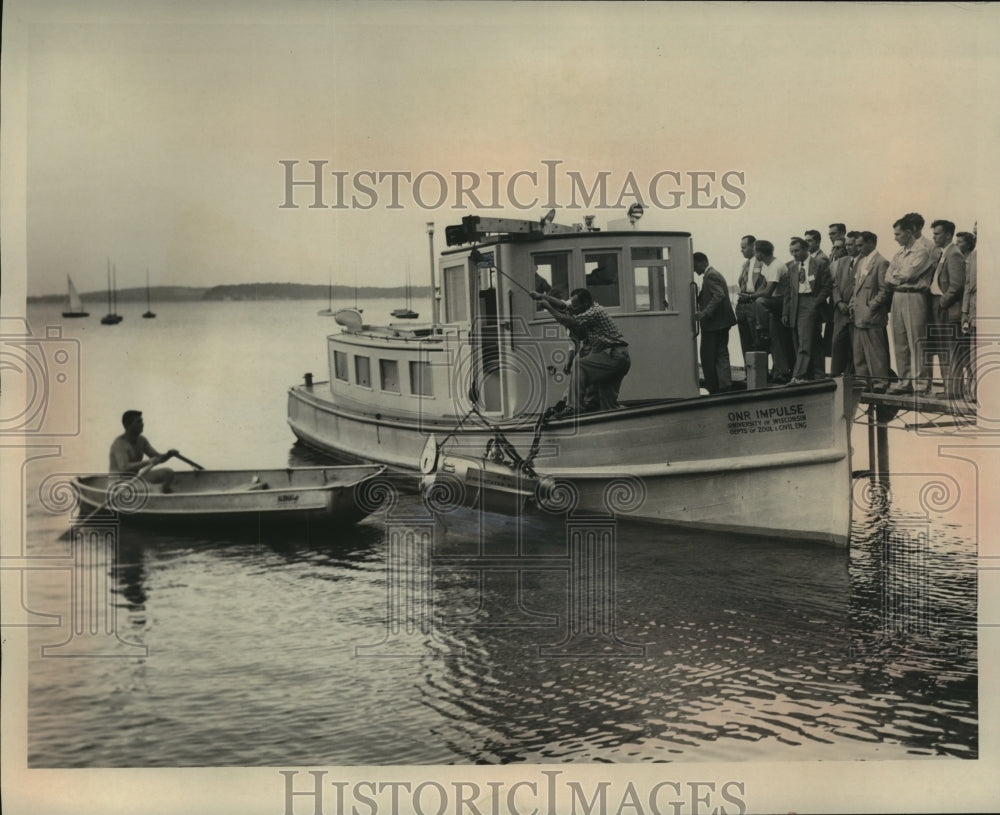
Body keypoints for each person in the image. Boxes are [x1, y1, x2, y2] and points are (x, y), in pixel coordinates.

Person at [531, 288, 630, 412]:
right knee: (608, 406)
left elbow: (570, 322)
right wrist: (541, 295)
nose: (573, 309)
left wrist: (549, 308)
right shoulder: (584, 308)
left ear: (586, 303)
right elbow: (563, 305)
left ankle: (574, 407)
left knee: (580, 366)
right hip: (619, 358)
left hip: (614, 356)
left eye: (576, 306)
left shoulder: (594, 312)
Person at [886, 214, 934, 394]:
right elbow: (888, 277)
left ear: (908, 232)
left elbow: (908, 274)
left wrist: (898, 276)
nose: (895, 238)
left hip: (914, 297)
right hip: (898, 297)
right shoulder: (898, 253)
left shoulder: (922, 251)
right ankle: (905, 381)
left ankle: (921, 384)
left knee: (917, 341)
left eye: (898, 234)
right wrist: (898, 277)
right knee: (900, 341)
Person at [783, 237, 832, 382]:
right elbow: (788, 291)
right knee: (812, 341)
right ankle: (817, 375)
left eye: (797, 250)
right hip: (795, 304)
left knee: (804, 342)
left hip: (810, 301)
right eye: (792, 251)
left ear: (806, 249)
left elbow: (827, 287)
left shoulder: (819, 264)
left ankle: (799, 376)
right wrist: (785, 312)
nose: (794, 254)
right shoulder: (791, 267)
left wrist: (815, 303)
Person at [850, 231, 893, 392]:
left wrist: (871, 307)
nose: (858, 248)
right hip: (859, 314)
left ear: (871, 243)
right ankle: (863, 382)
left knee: (876, 352)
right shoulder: (862, 261)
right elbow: (857, 286)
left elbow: (885, 290)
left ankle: (880, 383)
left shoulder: (881, 262)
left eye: (861, 245)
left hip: (872, 316)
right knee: (859, 353)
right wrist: (853, 302)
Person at [928, 219, 966, 398]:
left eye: (937, 233)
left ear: (948, 235)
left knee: (951, 349)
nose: (934, 237)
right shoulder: (943, 253)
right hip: (939, 305)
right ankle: (949, 388)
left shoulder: (954, 254)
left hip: (947, 308)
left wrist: (943, 302)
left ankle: (954, 390)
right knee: (944, 348)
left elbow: (957, 285)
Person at [693, 252, 738, 394]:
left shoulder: (710, 275)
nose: (694, 270)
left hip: (715, 324)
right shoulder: (712, 274)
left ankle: (715, 387)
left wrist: (704, 312)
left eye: (694, 266)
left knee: (708, 355)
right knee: (721, 353)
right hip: (721, 322)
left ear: (702, 262)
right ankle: (725, 385)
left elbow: (719, 295)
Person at [751, 240, 794, 383]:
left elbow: (768, 292)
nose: (754, 254)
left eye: (755, 251)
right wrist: (750, 295)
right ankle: (780, 372)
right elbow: (762, 286)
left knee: (760, 301)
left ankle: (762, 331)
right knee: (776, 340)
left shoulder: (776, 266)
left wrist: (753, 296)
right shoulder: (765, 265)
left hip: (781, 301)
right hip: (773, 304)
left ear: (760, 253)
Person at [109, 410, 178, 492]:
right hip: (119, 484)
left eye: (141, 421)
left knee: (168, 473)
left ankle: (163, 492)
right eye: (139, 422)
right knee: (153, 489)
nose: (142, 424)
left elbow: (157, 458)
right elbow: (124, 467)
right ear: (128, 425)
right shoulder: (120, 443)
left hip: (135, 479)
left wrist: (168, 455)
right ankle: (160, 492)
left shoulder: (142, 440)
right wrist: (148, 462)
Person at [829, 233, 860, 376]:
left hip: (855, 311)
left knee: (856, 348)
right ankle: (835, 377)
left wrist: (852, 303)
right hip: (840, 311)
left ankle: (855, 377)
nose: (848, 247)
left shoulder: (865, 261)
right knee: (836, 345)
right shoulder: (842, 262)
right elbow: (834, 284)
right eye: (846, 245)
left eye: (850, 244)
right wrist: (839, 302)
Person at [735, 234, 765, 361]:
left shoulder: (762, 263)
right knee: (745, 340)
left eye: (743, 247)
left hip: (754, 302)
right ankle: (749, 371)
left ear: (753, 246)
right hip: (742, 304)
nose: (741, 250)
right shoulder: (745, 265)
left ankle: (759, 372)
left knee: (757, 338)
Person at [957, 231, 977, 401]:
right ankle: (969, 384)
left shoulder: (972, 258)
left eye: (961, 242)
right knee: (966, 350)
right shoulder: (962, 259)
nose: (958, 244)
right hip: (967, 310)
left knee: (973, 351)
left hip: (974, 309)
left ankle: (973, 386)